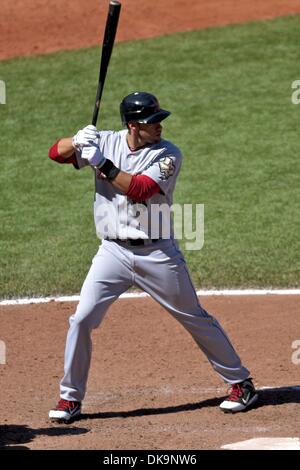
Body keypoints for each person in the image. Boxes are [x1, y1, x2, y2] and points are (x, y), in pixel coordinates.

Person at [48, 91, 258, 422]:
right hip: (112, 253)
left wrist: (100, 162)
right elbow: (54, 154)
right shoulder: (105, 141)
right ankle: (69, 398)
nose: (159, 126)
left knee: (194, 317)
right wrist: (75, 141)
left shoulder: (168, 154)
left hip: (157, 254)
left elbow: (140, 189)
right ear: (132, 125)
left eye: (160, 120)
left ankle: (240, 382)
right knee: (82, 319)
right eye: (152, 122)